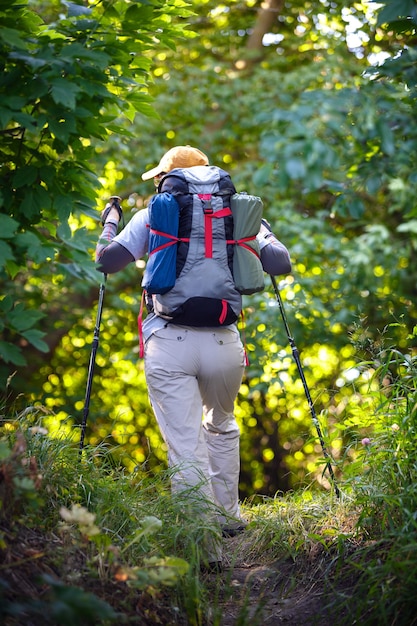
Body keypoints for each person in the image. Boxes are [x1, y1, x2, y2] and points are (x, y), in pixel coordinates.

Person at [95, 146, 291, 568]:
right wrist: (256, 236)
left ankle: (205, 548)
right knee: (221, 425)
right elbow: (280, 263)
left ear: (170, 178)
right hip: (224, 342)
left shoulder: (154, 213)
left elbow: (107, 262)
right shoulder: (238, 212)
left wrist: (109, 223)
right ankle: (231, 521)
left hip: (170, 341)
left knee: (185, 446)